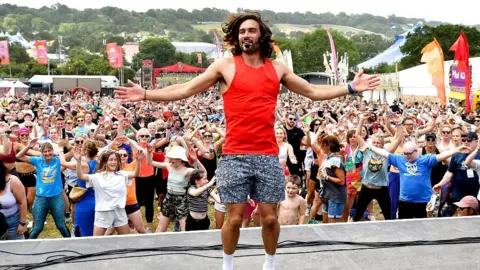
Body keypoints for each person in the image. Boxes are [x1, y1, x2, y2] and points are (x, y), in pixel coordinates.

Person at [115, 12, 380, 270]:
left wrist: (350, 88)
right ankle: (228, 265)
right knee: (233, 219)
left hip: (267, 155)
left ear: (262, 35)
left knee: (269, 219)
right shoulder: (225, 66)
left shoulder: (277, 69)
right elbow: (186, 89)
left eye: (251, 30)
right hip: (234, 156)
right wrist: (147, 94)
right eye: (242, 31)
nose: (246, 35)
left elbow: (311, 91)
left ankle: (270, 263)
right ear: (236, 37)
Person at [369, 141, 467, 219]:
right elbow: (385, 153)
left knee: (425, 228)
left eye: (409, 154)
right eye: (405, 153)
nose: (406, 156)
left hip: (424, 202)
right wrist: (370, 147)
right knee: (405, 228)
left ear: (416, 151)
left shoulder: (426, 159)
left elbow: (441, 156)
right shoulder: (400, 159)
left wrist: (457, 150)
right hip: (405, 202)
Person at [75, 149, 143, 236]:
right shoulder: (98, 177)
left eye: (115, 160)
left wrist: (138, 161)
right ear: (104, 162)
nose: (113, 162)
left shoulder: (122, 174)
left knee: (126, 239)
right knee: (97, 240)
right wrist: (78, 161)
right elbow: (81, 176)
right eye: (111, 160)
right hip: (103, 212)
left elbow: (135, 174)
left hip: (119, 211)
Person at [16, 140, 71, 239]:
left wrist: (64, 146)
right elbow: (19, 156)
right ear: (42, 153)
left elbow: (71, 153)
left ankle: (70, 243)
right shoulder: (38, 160)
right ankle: (28, 247)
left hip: (56, 197)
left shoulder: (58, 159)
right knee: (38, 228)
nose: (47, 153)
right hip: (41, 198)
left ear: (52, 151)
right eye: (45, 151)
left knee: (61, 226)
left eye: (49, 151)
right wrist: (29, 146)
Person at [0, 161, 28, 240]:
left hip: (13, 223)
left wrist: (22, 223)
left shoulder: (13, 181)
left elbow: (23, 202)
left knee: (17, 249)